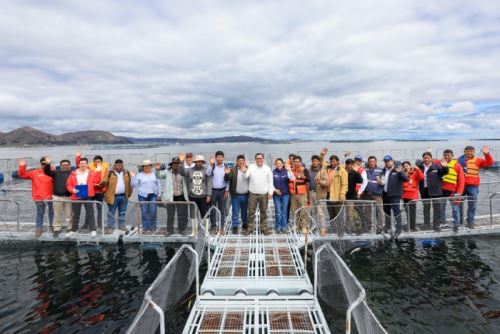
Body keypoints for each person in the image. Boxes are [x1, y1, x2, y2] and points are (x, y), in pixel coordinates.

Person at [458, 145, 495, 228]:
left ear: (474, 152)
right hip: (460, 186)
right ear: (464, 152)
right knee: (458, 204)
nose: (469, 153)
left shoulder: (478, 160)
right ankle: (459, 221)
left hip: (473, 186)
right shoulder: (458, 160)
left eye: (471, 151)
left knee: (472, 205)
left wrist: (487, 154)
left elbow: (490, 163)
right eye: (467, 151)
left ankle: (470, 221)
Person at [18, 157, 54, 237]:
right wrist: (22, 166)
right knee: (40, 214)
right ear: (41, 164)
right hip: (39, 198)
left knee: (52, 213)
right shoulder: (34, 172)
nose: (44, 165)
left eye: (46, 163)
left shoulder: (53, 172)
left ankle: (52, 226)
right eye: (43, 163)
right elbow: (23, 175)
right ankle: (38, 228)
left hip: (51, 198)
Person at [66, 157, 100, 237]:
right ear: (78, 164)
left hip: (88, 195)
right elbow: (68, 185)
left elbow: (97, 181)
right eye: (81, 164)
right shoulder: (73, 173)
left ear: (87, 164)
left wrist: (98, 171)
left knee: (90, 213)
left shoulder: (91, 172)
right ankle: (73, 230)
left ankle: (93, 230)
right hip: (76, 195)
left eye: (84, 163)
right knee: (76, 214)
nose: (83, 165)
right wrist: (72, 190)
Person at [178, 154, 212, 232]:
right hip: (192, 196)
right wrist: (181, 162)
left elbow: (209, 183)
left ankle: (205, 231)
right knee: (193, 215)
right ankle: (194, 231)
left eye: (200, 161)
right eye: (197, 161)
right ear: (195, 162)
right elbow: (181, 172)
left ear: (203, 162)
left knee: (205, 214)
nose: (199, 163)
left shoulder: (206, 170)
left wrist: (209, 195)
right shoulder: (190, 170)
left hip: (203, 196)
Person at [156, 157, 190, 235]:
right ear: (171, 164)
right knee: (170, 215)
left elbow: (189, 175)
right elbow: (159, 176)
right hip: (170, 196)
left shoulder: (183, 172)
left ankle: (182, 230)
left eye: (177, 163)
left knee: (181, 214)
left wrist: (183, 162)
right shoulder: (167, 172)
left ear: (179, 164)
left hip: (181, 195)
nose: (175, 165)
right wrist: (157, 170)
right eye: (174, 163)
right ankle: (170, 230)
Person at [243, 153, 274, 235]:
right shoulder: (251, 167)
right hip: (252, 193)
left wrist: (270, 192)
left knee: (263, 211)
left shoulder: (267, 168)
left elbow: (270, 181)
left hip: (264, 193)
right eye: (257, 158)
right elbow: (246, 176)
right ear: (255, 159)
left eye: (261, 158)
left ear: (263, 159)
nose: (259, 160)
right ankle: (250, 228)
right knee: (251, 211)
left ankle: (264, 228)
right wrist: (244, 170)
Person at [417, 152, 448, 232]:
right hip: (424, 190)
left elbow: (444, 172)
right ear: (422, 159)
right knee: (426, 208)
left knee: (436, 209)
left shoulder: (437, 166)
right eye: (425, 157)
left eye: (428, 157)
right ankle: (426, 224)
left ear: (431, 158)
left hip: (436, 191)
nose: (426, 159)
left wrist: (445, 167)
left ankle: (436, 225)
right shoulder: (419, 167)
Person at [76, 152, 108, 228]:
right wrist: (78, 157)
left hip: (100, 192)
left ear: (101, 162)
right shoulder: (89, 168)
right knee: (89, 208)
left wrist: (103, 184)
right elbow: (79, 166)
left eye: (99, 161)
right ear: (93, 162)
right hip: (91, 191)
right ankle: (86, 224)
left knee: (99, 209)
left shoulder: (105, 169)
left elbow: (106, 179)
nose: (97, 163)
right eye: (95, 161)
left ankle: (100, 225)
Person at [43, 157, 72, 237]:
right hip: (57, 197)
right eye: (63, 165)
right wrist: (48, 163)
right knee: (57, 214)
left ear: (69, 165)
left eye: (66, 165)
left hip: (69, 197)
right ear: (60, 166)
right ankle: (57, 229)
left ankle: (69, 227)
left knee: (69, 214)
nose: (65, 166)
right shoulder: (56, 172)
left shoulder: (73, 173)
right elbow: (46, 172)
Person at [131, 160, 161, 234]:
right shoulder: (139, 175)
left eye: (148, 165)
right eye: (145, 166)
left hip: (153, 195)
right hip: (142, 195)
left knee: (153, 212)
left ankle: (153, 227)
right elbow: (133, 185)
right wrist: (133, 177)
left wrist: (159, 195)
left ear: (150, 166)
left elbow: (158, 185)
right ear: (143, 167)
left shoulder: (155, 174)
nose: (147, 167)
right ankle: (145, 227)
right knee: (144, 212)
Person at [380, 155, 408, 237]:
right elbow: (383, 180)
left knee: (397, 212)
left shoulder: (398, 168)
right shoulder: (384, 170)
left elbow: (406, 179)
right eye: (386, 161)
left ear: (392, 161)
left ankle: (398, 229)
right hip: (385, 194)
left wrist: (400, 172)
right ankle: (387, 226)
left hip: (395, 195)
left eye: (389, 161)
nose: (387, 163)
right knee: (386, 211)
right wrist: (379, 179)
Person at [103, 159, 132, 233]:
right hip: (113, 197)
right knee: (111, 213)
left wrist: (128, 194)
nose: (120, 166)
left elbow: (130, 184)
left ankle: (121, 225)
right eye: (118, 165)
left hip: (123, 196)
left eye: (121, 165)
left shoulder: (126, 173)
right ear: (114, 165)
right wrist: (102, 182)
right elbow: (103, 182)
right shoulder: (109, 173)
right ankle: (110, 226)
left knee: (122, 212)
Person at [439, 149, 465, 231]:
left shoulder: (457, 165)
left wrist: (459, 192)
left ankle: (456, 223)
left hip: (453, 191)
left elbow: (461, 180)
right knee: (441, 207)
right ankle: (442, 222)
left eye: (448, 155)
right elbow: (430, 161)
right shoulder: (440, 164)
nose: (446, 157)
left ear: (452, 156)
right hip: (442, 190)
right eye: (445, 155)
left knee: (455, 208)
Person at [225, 154, 250, 234]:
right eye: (239, 161)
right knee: (235, 211)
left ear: (245, 162)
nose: (241, 162)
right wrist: (227, 174)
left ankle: (244, 225)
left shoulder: (248, 169)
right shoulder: (233, 170)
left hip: (246, 195)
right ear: (236, 162)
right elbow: (228, 178)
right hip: (236, 195)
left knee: (244, 211)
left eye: (242, 161)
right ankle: (235, 226)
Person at [206, 151, 229, 233]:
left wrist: (227, 190)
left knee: (222, 209)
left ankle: (222, 227)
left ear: (223, 158)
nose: (219, 158)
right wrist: (211, 164)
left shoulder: (225, 166)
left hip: (222, 190)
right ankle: (213, 227)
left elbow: (227, 180)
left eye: (221, 157)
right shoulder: (212, 166)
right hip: (213, 190)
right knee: (212, 209)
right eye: (218, 157)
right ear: (215, 158)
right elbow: (207, 174)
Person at [362, 156, 385, 234]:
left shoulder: (381, 170)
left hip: (377, 194)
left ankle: (380, 227)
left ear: (376, 162)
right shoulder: (364, 170)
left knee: (379, 211)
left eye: (373, 161)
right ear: (368, 162)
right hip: (367, 194)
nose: (371, 162)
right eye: (370, 161)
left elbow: (384, 182)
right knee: (366, 212)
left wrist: (380, 181)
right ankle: (368, 227)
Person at [289, 156, 310, 233]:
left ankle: (304, 226)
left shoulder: (304, 170)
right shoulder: (290, 170)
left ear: (300, 162)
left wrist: (303, 176)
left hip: (302, 194)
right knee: (294, 210)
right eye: (295, 161)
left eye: (298, 161)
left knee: (303, 210)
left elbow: (308, 179)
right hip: (293, 194)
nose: (296, 163)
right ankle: (296, 225)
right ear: (293, 162)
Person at [401, 161, 424, 232]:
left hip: (413, 196)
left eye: (407, 165)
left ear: (410, 166)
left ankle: (413, 227)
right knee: (407, 212)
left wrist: (417, 169)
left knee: (413, 212)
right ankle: (409, 226)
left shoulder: (414, 173)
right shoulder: (402, 175)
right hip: (405, 196)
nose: (406, 167)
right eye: (404, 166)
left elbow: (422, 177)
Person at [272, 158, 294, 233]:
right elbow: (270, 183)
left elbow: (292, 178)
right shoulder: (273, 172)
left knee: (284, 211)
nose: (279, 164)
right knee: (278, 211)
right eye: (277, 163)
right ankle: (278, 226)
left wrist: (289, 170)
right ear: (275, 164)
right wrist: (274, 190)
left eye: (280, 163)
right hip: (276, 195)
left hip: (285, 194)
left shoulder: (286, 171)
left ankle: (284, 226)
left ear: (283, 164)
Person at [325, 155, 348, 226]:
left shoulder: (342, 171)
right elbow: (322, 162)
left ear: (338, 162)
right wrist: (322, 155)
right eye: (331, 161)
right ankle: (333, 230)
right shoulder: (328, 169)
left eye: (334, 161)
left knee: (338, 215)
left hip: (337, 196)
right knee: (331, 214)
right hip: (328, 195)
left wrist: (342, 195)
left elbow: (345, 184)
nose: (332, 163)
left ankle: (340, 231)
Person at [308, 155, 329, 228]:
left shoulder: (323, 171)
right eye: (313, 161)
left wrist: (320, 182)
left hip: (320, 194)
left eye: (316, 161)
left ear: (319, 162)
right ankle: (314, 227)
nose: (314, 162)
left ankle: (322, 227)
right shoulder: (309, 170)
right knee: (313, 211)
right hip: (311, 193)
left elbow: (327, 183)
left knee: (321, 212)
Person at [345, 159, 364, 234]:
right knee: (344, 213)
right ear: (346, 165)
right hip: (342, 196)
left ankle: (354, 228)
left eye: (351, 164)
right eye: (348, 164)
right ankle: (347, 227)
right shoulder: (342, 172)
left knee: (350, 213)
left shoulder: (354, 173)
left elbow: (360, 181)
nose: (349, 166)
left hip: (351, 196)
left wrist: (356, 172)